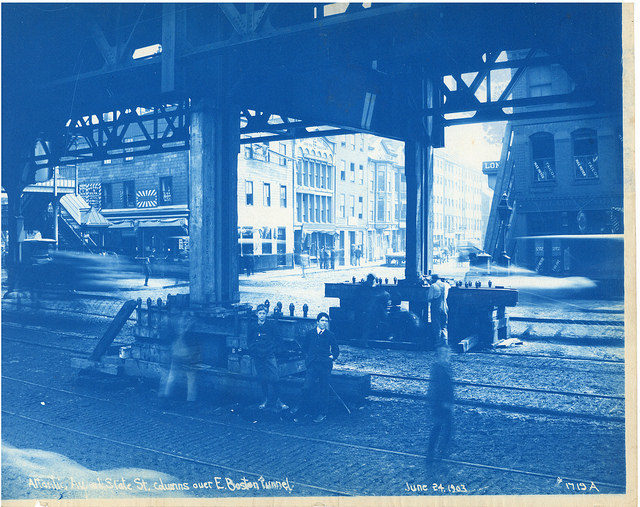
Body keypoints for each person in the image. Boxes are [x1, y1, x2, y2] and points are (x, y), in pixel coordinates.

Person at [294, 312, 340, 422]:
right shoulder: (310, 334)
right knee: (307, 387)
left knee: (324, 389)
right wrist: (308, 358)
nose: (324, 323)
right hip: (313, 365)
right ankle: (304, 410)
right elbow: (304, 348)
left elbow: (336, 350)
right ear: (317, 322)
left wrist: (332, 357)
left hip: (325, 365)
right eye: (322, 320)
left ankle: (322, 413)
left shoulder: (330, 335)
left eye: (326, 321)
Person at [247, 304, 287, 410]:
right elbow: (249, 340)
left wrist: (273, 350)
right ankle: (264, 400)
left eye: (264, 313)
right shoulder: (253, 326)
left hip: (269, 355)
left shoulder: (271, 325)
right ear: (256, 314)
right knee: (262, 378)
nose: (262, 315)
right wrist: (253, 350)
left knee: (275, 378)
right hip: (258, 356)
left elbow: (278, 339)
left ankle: (278, 400)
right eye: (260, 313)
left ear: (266, 314)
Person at [160, 311, 199, 404]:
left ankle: (166, 395)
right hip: (187, 353)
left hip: (176, 351)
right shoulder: (190, 323)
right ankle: (191, 399)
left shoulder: (174, 320)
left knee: (172, 376)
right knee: (191, 376)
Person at [426, 344, 454, 462]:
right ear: (438, 356)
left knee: (444, 427)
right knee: (440, 427)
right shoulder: (437, 368)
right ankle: (434, 453)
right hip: (440, 403)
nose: (446, 356)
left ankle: (436, 452)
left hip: (445, 402)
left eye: (447, 353)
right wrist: (441, 403)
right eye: (443, 354)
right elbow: (435, 387)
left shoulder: (446, 366)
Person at [428, 274, 450, 347]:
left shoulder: (433, 286)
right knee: (444, 324)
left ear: (434, 279)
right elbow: (450, 285)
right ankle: (445, 341)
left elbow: (430, 298)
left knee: (436, 324)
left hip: (436, 307)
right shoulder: (446, 285)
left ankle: (438, 342)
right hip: (445, 306)